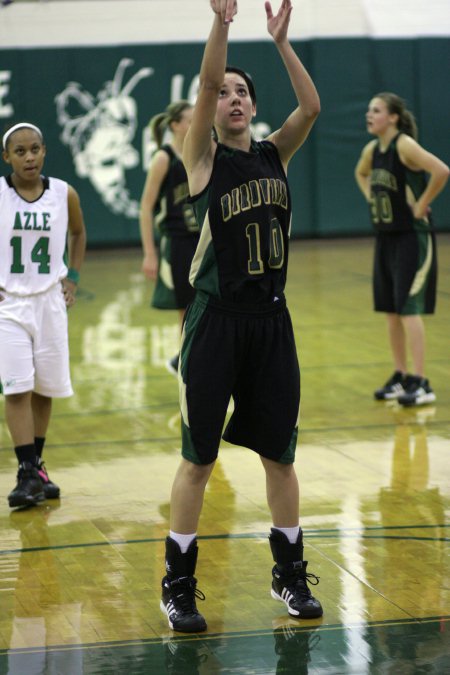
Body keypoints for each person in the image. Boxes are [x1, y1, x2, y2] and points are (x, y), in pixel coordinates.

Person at [160, 0, 323, 633]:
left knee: (280, 457)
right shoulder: (203, 159)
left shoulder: (274, 154)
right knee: (199, 461)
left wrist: (282, 44)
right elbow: (203, 83)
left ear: (252, 106)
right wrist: (222, 26)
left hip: (271, 324)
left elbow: (310, 109)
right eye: (223, 91)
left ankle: (289, 574)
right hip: (216, 322)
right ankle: (179, 584)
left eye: (240, 93)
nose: (229, 97)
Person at [0, 122, 87, 508]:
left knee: (44, 388)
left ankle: (35, 468)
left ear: (44, 151)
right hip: (10, 305)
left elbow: (79, 234)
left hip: (50, 301)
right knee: (17, 387)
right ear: (7, 157)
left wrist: (74, 277)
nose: (29, 156)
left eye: (35, 149)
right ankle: (26, 473)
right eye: (20, 151)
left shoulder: (63, 194)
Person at [355, 93, 449, 406]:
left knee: (409, 309)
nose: (369, 115)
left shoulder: (404, 145)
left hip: (412, 236)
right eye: (369, 110)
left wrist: (422, 204)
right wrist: (371, 198)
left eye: (376, 110)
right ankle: (401, 375)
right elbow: (361, 172)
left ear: (393, 117)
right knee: (391, 311)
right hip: (386, 237)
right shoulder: (373, 149)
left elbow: (441, 170)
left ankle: (421, 382)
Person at [139, 101, 199, 375]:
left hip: (203, 240)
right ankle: (187, 365)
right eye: (190, 120)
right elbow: (146, 207)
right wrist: (150, 253)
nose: (196, 123)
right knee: (187, 309)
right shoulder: (164, 158)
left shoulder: (202, 153)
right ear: (175, 125)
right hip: (178, 242)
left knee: (209, 305)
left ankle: (185, 360)